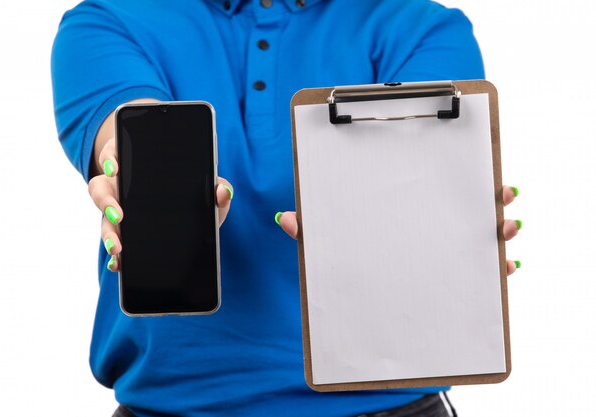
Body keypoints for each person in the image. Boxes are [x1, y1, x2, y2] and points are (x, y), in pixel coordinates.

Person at [51, 1, 522, 416]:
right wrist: (143, 180)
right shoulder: (108, 20)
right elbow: (125, 121)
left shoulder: (421, 28)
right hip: (170, 407)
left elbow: (422, 186)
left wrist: (442, 234)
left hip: (393, 406)